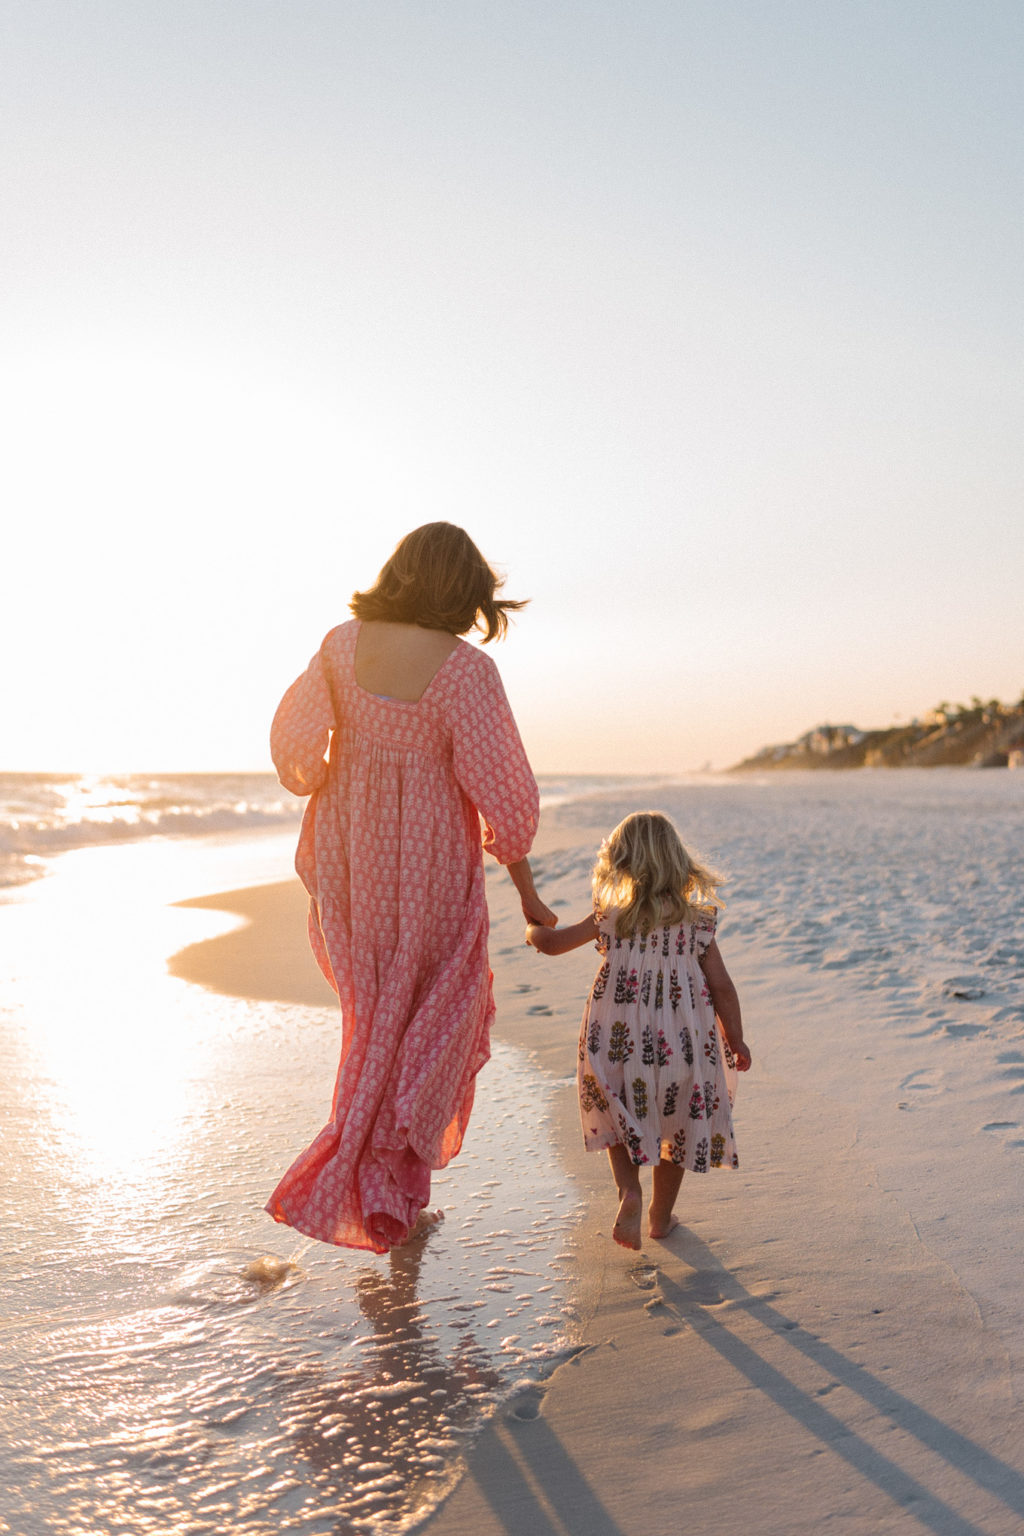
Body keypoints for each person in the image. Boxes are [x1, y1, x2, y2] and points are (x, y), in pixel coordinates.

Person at [267, 522, 555, 1253]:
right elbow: (503, 793)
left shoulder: (341, 646)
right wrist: (525, 888)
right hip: (429, 863)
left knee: (374, 1019)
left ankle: (378, 1191)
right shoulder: (466, 671)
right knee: (437, 1018)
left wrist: (330, 781)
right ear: (465, 591)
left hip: (351, 857)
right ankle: (383, 1185)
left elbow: (295, 743)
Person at [526, 811, 751, 1250]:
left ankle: (629, 1191)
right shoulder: (697, 922)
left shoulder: (612, 917)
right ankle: (660, 1218)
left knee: (618, 1108)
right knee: (678, 1119)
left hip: (616, 1039)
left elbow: (552, 944)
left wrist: (532, 930)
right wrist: (736, 1037)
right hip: (684, 1042)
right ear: (678, 861)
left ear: (621, 863)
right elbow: (722, 985)